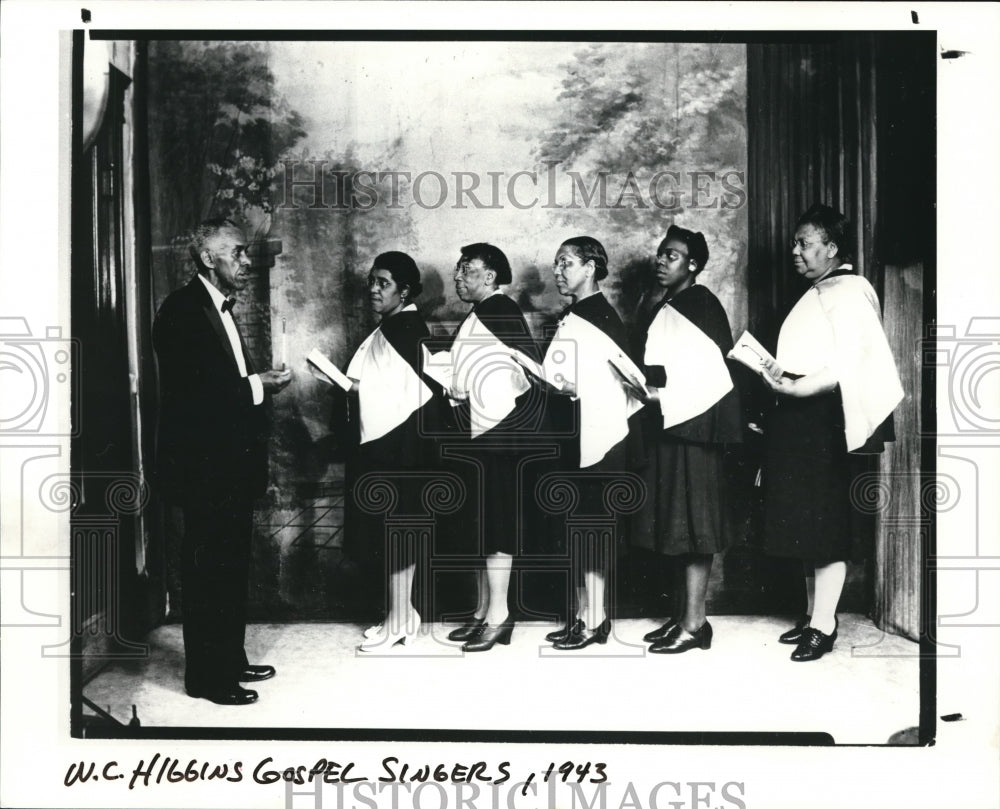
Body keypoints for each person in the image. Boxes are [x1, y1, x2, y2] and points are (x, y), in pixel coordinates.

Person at [153, 218, 292, 705]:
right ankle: (206, 679)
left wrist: (256, 380)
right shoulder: (181, 311)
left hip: (228, 467)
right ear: (208, 258)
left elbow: (219, 383)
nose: (246, 261)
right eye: (237, 253)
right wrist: (260, 385)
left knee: (230, 565)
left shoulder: (219, 309)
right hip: (202, 469)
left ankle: (229, 659)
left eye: (246, 253)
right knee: (209, 568)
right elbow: (196, 397)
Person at [759, 204, 902, 662]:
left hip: (824, 418)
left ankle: (824, 625)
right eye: (796, 242)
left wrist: (798, 388)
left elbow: (847, 364)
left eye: (804, 243)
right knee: (804, 520)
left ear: (831, 248)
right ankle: (812, 615)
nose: (795, 251)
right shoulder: (819, 289)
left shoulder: (849, 290)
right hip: (799, 415)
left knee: (825, 523)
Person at [631, 225, 742, 654]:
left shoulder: (701, 305)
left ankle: (695, 624)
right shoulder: (669, 304)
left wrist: (660, 393)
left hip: (695, 431)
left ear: (693, 265)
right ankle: (684, 616)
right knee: (677, 527)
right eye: (661, 254)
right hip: (672, 426)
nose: (662, 261)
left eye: (672, 256)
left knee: (695, 529)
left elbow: (712, 379)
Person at [539, 237, 644, 650]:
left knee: (592, 529)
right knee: (580, 528)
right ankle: (585, 615)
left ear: (591, 268)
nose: (558, 270)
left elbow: (618, 384)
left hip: (599, 438)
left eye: (566, 262)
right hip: (578, 433)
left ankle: (595, 619)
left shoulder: (599, 317)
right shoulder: (577, 314)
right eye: (556, 262)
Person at [441, 243, 540, 652]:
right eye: (458, 268)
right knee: (486, 524)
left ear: (490, 276)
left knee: (497, 525)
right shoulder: (481, 313)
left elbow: (532, 371)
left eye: (467, 269)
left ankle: (499, 617)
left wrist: (462, 384)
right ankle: (483, 612)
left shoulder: (501, 311)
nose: (458, 276)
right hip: (482, 432)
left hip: (500, 435)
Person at [341, 252, 439, 652]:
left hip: (403, 448)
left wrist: (352, 388)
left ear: (405, 290)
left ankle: (400, 620)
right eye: (371, 282)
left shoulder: (407, 328)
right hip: (390, 444)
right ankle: (401, 614)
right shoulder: (392, 326)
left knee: (400, 532)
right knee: (392, 532)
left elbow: (418, 393)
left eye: (383, 283)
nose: (373, 290)